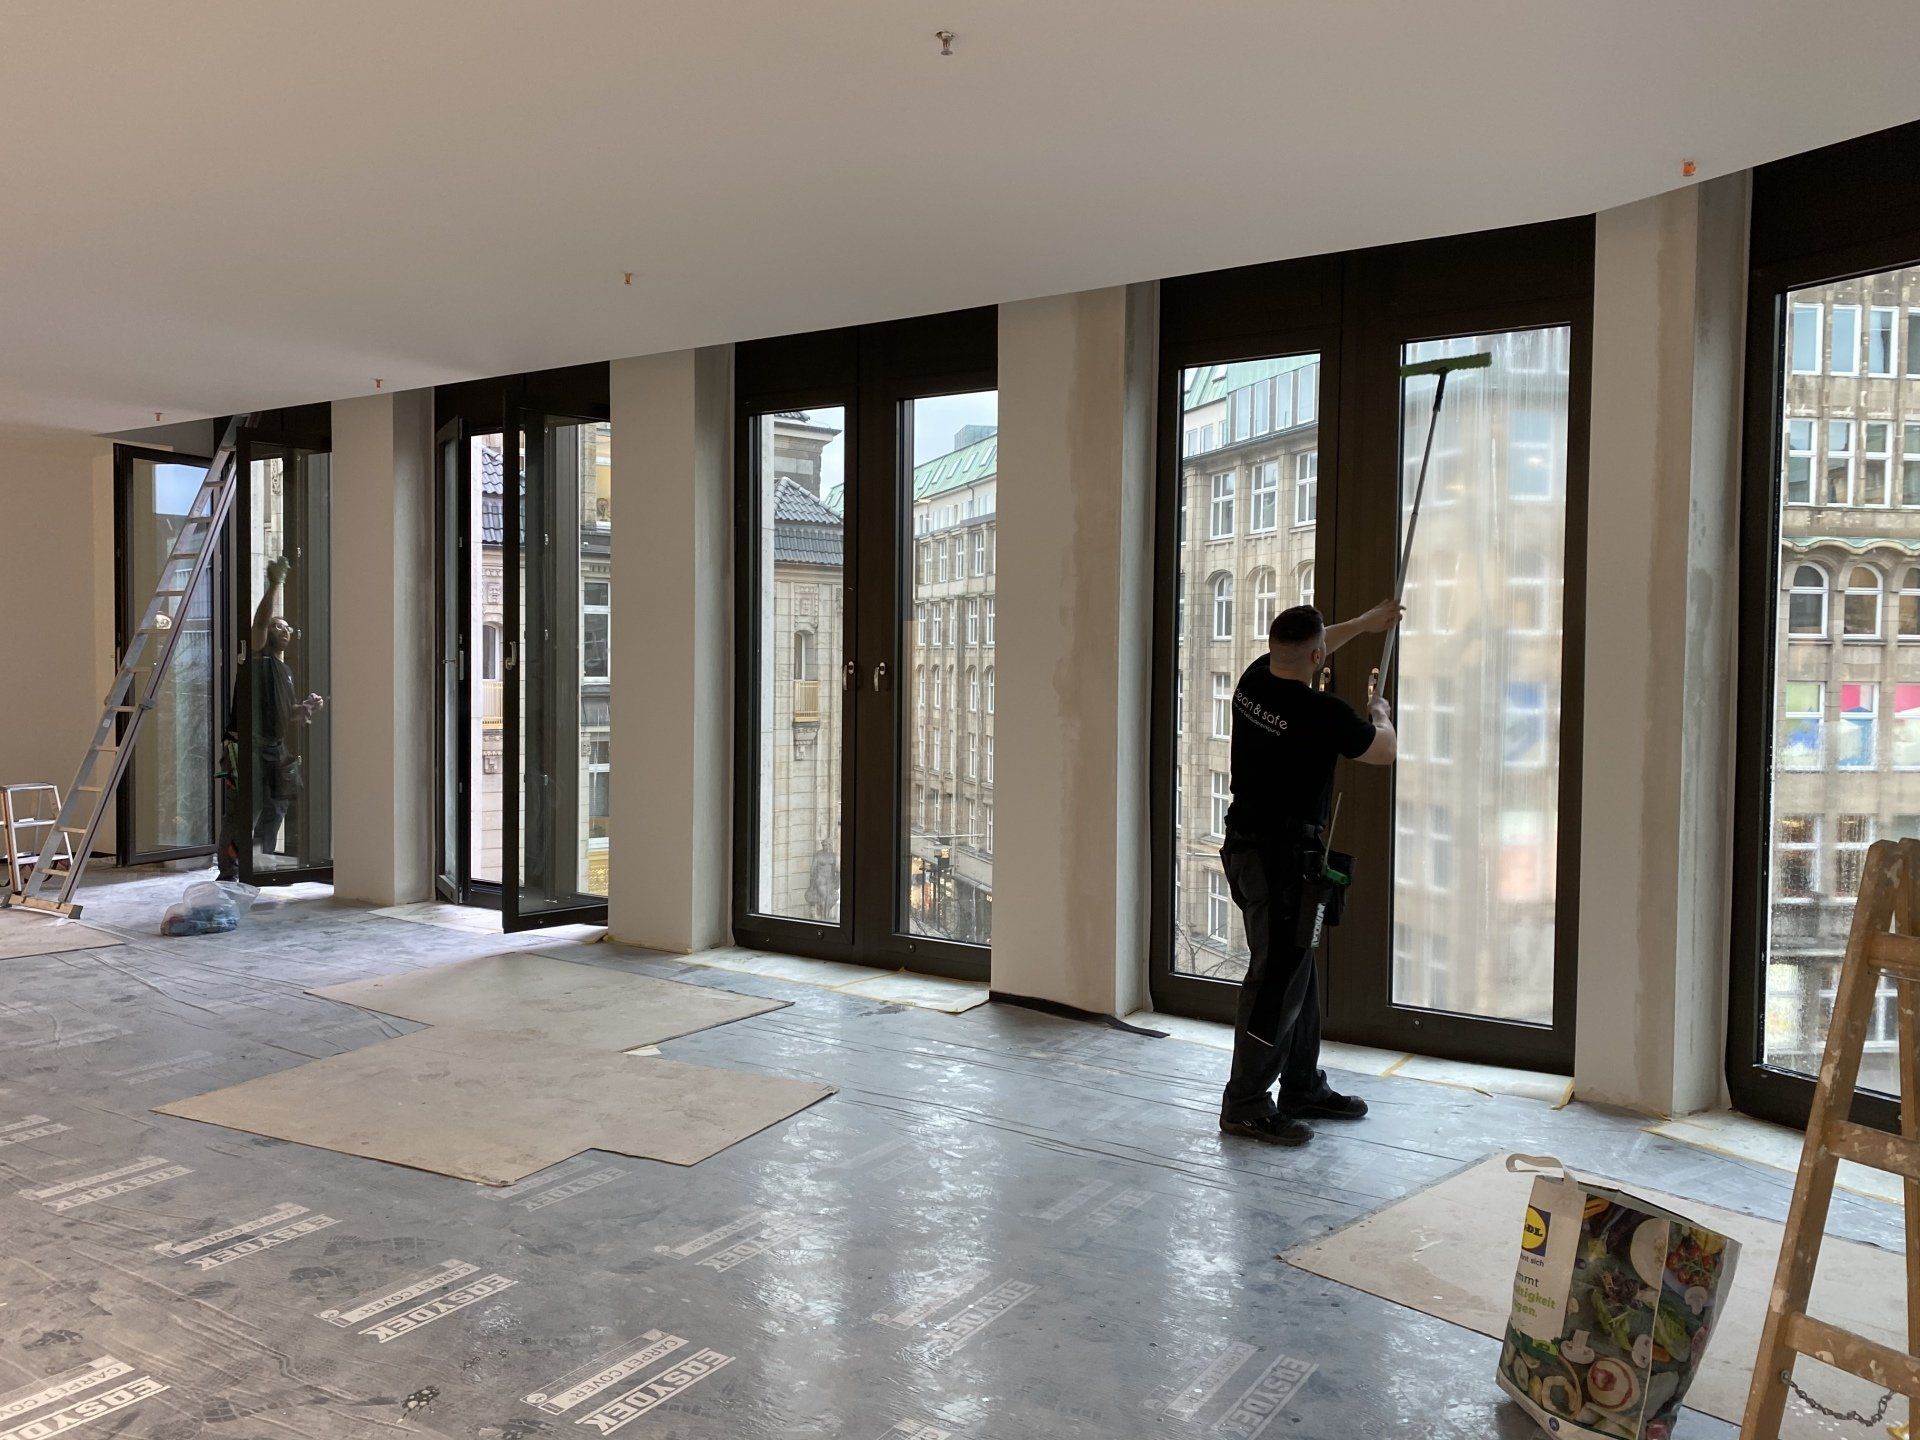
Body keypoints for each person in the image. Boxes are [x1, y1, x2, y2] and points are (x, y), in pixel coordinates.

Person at [1217, 600, 1400, 1147]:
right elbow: (1384, 751)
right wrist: (1380, 712)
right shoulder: (1322, 713)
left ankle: (1301, 1086)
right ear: (1317, 657)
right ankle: (1246, 1104)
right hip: (1282, 864)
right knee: (1275, 981)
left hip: (1247, 849)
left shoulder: (1253, 681)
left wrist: (1363, 625)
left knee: (1296, 972)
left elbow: (1316, 643)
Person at [217, 556, 324, 881]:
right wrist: (275, 584)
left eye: (288, 627)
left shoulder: (284, 670)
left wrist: (305, 708)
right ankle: (230, 871)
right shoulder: (258, 658)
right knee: (242, 811)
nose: (284, 630)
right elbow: (260, 623)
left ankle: (256, 861)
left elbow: (284, 713)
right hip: (247, 746)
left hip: (274, 748)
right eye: (279, 626)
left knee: (278, 803)